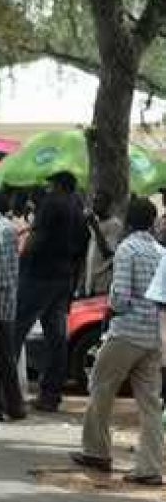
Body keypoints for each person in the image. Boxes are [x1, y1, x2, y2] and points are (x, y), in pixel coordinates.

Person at [71, 197, 164, 486]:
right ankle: (150, 467)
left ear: (128, 221)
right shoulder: (161, 251)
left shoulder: (127, 249)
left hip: (126, 333)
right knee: (150, 404)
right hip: (152, 336)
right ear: (151, 223)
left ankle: (96, 451)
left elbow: (120, 297)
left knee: (101, 387)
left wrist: (111, 311)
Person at [12, 171, 90, 412]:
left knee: (15, 331)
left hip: (39, 275)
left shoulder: (52, 204)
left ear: (58, 185)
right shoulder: (78, 209)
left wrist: (22, 263)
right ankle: (50, 394)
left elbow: (38, 238)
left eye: (50, 184)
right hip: (63, 279)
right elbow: (84, 244)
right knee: (56, 337)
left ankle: (5, 391)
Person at [0, 191, 27, 420]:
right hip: (4, 300)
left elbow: (2, 276)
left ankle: (11, 405)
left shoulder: (0, 231)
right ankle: (9, 404)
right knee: (3, 355)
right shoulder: (2, 228)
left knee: (3, 355)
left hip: (1, 302)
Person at [82, 191, 122, 296]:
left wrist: (95, 227)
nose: (95, 206)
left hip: (103, 280)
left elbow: (107, 253)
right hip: (90, 277)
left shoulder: (114, 224)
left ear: (108, 205)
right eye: (94, 202)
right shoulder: (93, 221)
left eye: (99, 202)